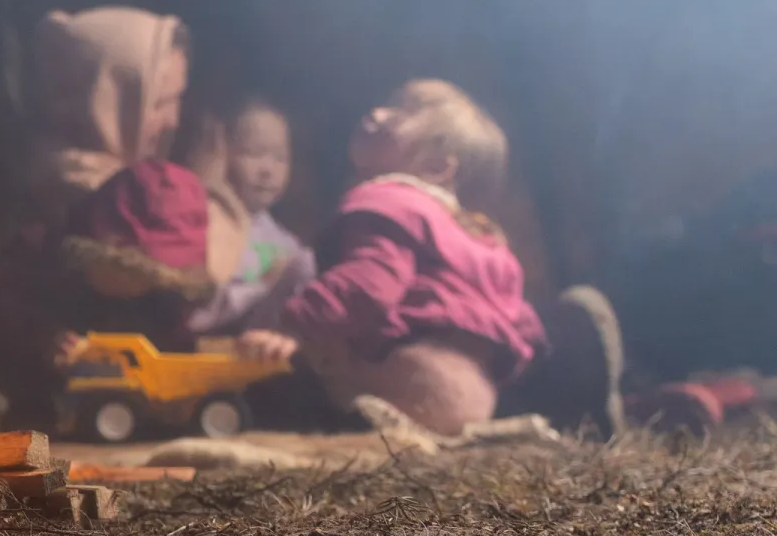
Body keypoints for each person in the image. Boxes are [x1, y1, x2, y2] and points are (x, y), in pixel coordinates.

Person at [238, 80, 622, 437]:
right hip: (477, 394)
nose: (377, 113)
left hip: (404, 381)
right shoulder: (475, 234)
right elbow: (516, 319)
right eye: (389, 104)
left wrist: (293, 327)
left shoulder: (386, 204)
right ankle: (574, 384)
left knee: (287, 388)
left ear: (438, 166)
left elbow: (370, 283)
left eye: (401, 115)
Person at [0, 7, 248, 427]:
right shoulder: (93, 194)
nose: (174, 121)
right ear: (109, 100)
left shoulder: (133, 180)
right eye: (160, 103)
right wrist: (212, 191)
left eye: (178, 100)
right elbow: (215, 267)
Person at [189, 98, 317, 336]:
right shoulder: (205, 223)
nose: (268, 170)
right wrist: (263, 284)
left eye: (279, 157)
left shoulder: (288, 244)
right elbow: (196, 315)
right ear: (221, 154)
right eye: (253, 153)